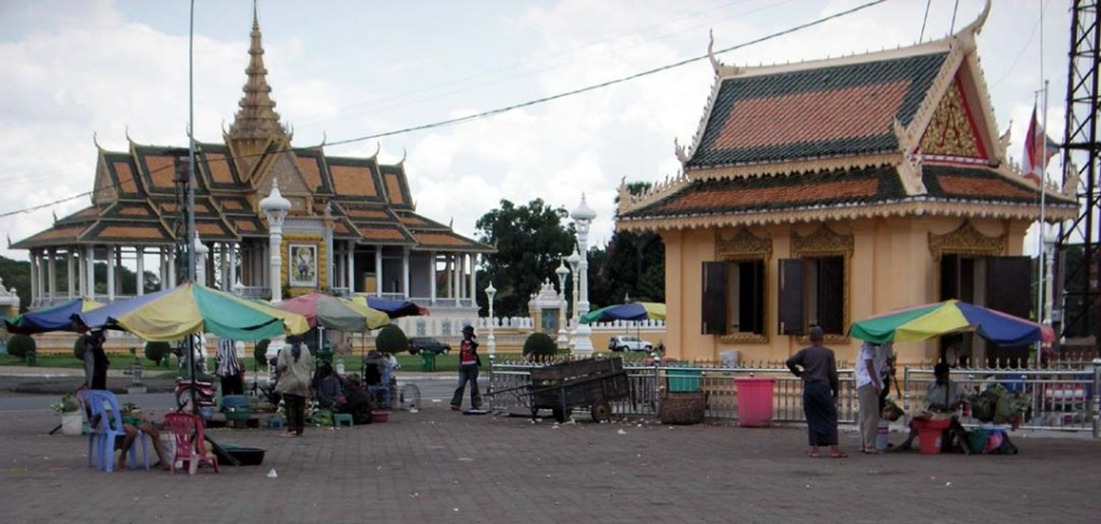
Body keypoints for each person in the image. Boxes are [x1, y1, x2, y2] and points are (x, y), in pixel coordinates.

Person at [785, 327, 846, 458]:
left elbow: (790, 362)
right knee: (830, 416)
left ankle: (815, 450)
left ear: (810, 339)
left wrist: (799, 373)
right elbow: (832, 374)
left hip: (809, 388)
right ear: (822, 338)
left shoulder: (805, 352)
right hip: (822, 387)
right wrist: (835, 391)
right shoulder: (828, 353)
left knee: (812, 417)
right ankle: (834, 449)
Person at [893, 362, 969, 451]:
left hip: (948, 413)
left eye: (946, 376)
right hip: (933, 412)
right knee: (917, 420)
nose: (945, 378)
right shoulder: (931, 386)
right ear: (936, 376)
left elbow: (968, 397)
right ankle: (908, 442)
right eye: (942, 377)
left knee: (952, 424)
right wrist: (932, 405)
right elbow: (926, 401)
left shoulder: (955, 386)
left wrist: (959, 402)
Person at [275, 336, 312, 438]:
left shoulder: (285, 349)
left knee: (290, 406)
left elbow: (281, 365)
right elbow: (309, 365)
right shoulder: (306, 349)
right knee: (300, 406)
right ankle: (300, 429)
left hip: (290, 380)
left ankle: (292, 429)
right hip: (303, 381)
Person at [854, 342, 883, 454]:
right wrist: (877, 383)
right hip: (868, 383)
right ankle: (870, 445)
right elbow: (869, 365)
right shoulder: (869, 348)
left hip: (862, 383)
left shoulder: (864, 347)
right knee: (871, 415)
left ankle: (864, 443)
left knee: (864, 414)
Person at [450, 325, 482, 411]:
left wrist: (472, 339)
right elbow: (461, 354)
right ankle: (456, 403)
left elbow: (476, 345)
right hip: (463, 366)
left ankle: (475, 404)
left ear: (470, 335)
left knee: (473, 386)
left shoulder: (473, 343)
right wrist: (460, 363)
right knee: (460, 385)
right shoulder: (462, 343)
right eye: (464, 334)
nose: (465, 335)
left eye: (466, 334)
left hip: (472, 366)